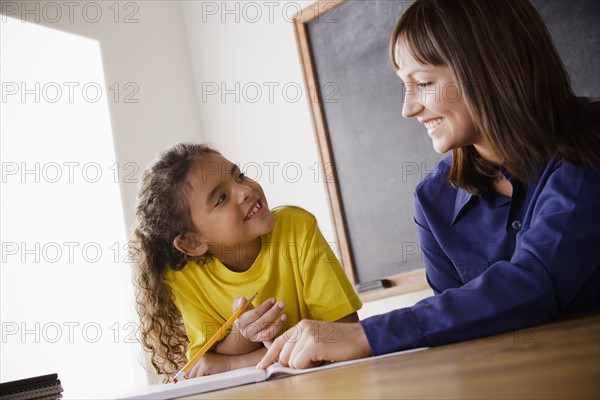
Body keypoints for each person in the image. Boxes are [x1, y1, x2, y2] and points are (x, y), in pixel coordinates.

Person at [258, 0, 600, 370]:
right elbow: (458, 327)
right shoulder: (433, 199)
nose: (408, 109)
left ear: (488, 69)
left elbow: (535, 281)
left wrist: (366, 335)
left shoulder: (588, 146)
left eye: (422, 83)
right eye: (405, 86)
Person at [132, 143, 362, 381]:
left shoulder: (296, 228)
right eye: (221, 198)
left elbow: (344, 334)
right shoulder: (183, 277)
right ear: (192, 243)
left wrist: (235, 362)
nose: (245, 191)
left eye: (239, 176)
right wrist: (242, 336)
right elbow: (203, 363)